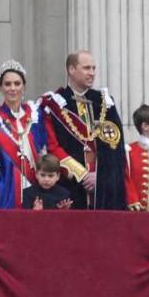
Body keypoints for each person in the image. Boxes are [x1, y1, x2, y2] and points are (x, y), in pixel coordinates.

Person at [37, 50, 128, 210]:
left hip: (103, 187)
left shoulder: (105, 102)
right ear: (71, 70)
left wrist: (99, 177)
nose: (92, 73)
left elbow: (116, 145)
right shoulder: (54, 104)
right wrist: (82, 174)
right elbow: (52, 146)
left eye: (94, 68)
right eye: (86, 68)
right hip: (69, 184)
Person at [0, 61, 42, 210]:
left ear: (24, 87)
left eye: (17, 84)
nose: (12, 88)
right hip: (6, 188)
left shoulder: (35, 115)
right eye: (7, 84)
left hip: (36, 189)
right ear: (0, 87)